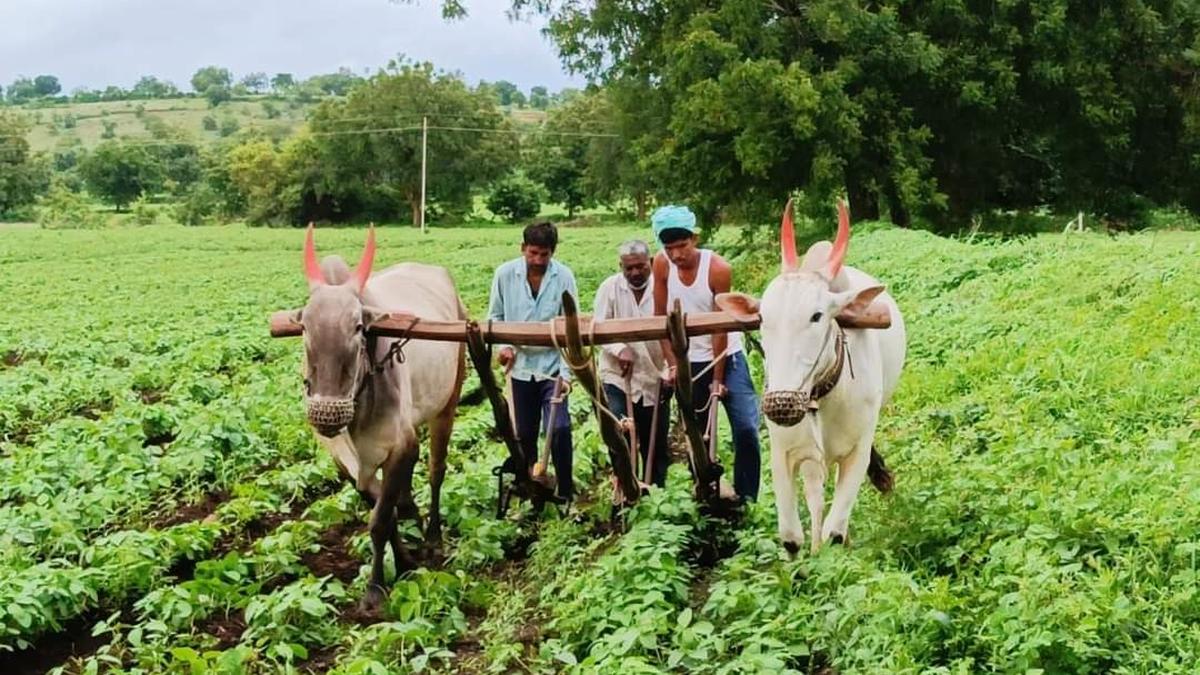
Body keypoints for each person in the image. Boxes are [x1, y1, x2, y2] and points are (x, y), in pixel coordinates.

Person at [650, 205, 762, 502]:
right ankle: (704, 490)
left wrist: (718, 379)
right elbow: (660, 319)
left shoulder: (717, 269)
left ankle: (746, 497)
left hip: (727, 356)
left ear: (695, 239)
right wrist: (673, 365)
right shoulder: (661, 265)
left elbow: (719, 327)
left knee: (747, 428)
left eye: (682, 246)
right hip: (687, 360)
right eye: (669, 248)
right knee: (695, 433)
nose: (676, 255)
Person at [487, 220, 578, 502]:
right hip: (521, 368)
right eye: (533, 253)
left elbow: (570, 327)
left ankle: (565, 490)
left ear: (553, 252)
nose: (538, 260)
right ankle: (531, 489)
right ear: (523, 248)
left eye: (544, 254)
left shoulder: (564, 277)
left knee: (560, 429)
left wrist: (567, 375)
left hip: (553, 367)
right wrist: (505, 347)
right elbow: (495, 317)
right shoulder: (504, 274)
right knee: (523, 434)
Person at [594, 239, 671, 488]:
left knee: (655, 442)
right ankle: (625, 489)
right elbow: (598, 328)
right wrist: (619, 349)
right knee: (620, 434)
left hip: (655, 375)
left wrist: (671, 368)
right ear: (621, 267)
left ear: (650, 263)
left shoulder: (664, 289)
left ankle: (656, 493)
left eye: (640, 267)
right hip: (616, 376)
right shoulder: (609, 289)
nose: (635, 273)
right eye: (629, 269)